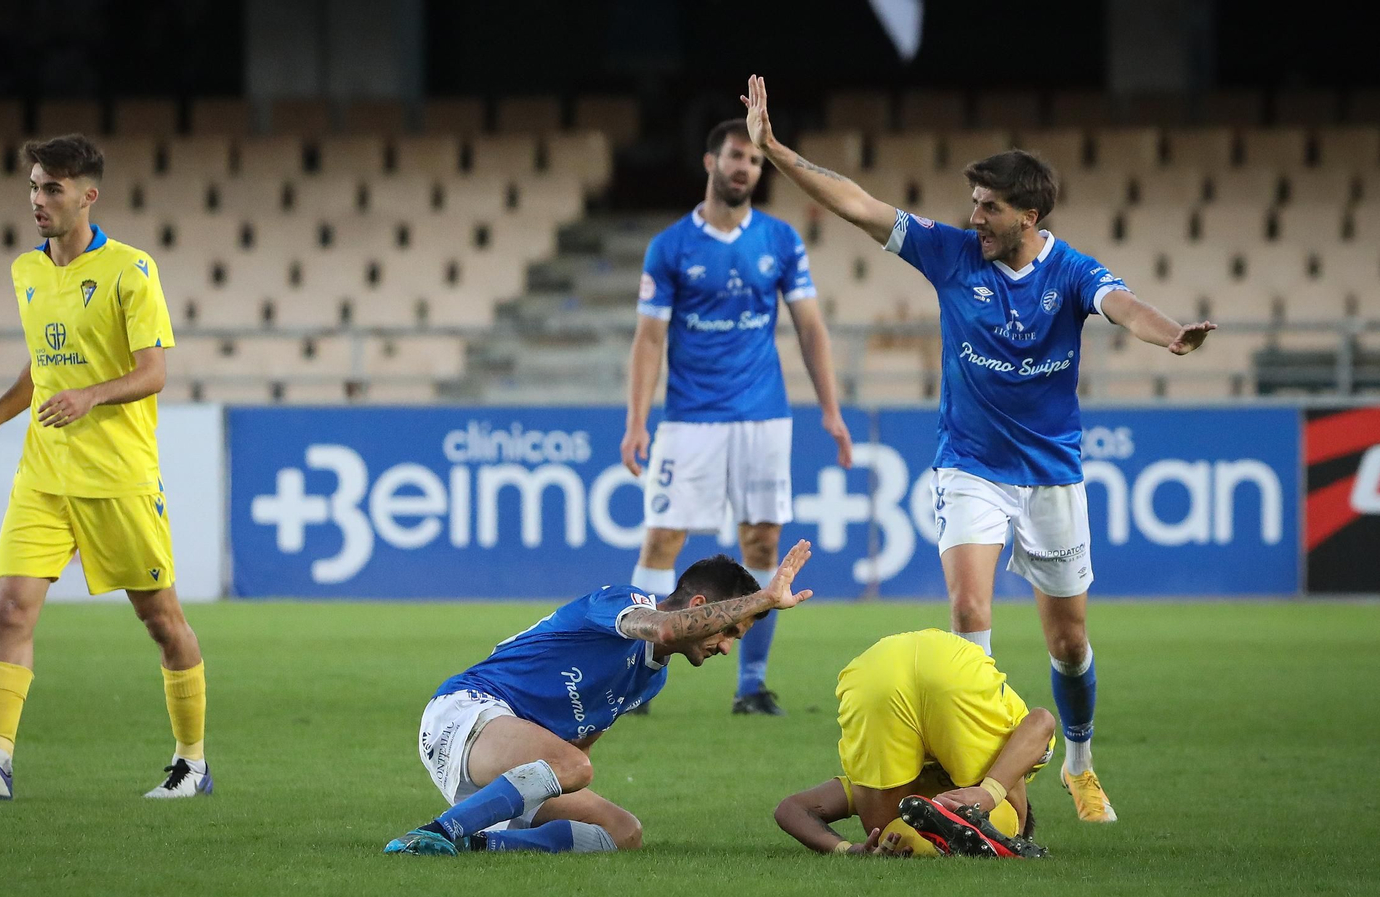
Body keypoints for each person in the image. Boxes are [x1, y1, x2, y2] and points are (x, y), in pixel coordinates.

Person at [741, 75, 1216, 822]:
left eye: (989, 208)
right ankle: (985, 780)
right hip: (970, 465)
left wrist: (1173, 333)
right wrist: (776, 151)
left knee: (1068, 643)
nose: (975, 218)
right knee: (969, 611)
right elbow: (861, 205)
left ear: (1030, 215)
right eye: (973, 205)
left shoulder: (1071, 271)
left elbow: (1122, 305)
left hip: (1051, 474)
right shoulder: (952, 254)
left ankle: (1081, 764)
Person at [0, 134, 209, 800]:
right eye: (32, 186)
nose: (37, 200)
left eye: (51, 189)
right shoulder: (26, 271)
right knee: (11, 608)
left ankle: (192, 761)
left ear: (89, 195)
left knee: (161, 620)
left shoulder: (130, 270)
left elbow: (153, 372)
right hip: (43, 473)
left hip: (117, 474)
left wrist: (89, 394)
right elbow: (42, 368)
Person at [621, 118, 853, 718]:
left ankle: (750, 684)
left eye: (753, 160)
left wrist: (830, 409)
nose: (744, 167)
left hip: (763, 418)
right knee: (664, 538)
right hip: (690, 420)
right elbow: (649, 340)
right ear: (710, 163)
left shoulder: (780, 240)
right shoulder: (671, 246)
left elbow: (809, 326)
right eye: (734, 156)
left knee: (761, 539)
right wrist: (637, 420)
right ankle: (637, 676)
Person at [385, 541, 816, 856]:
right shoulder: (622, 601)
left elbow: (577, 743)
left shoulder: (651, 681)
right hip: (465, 714)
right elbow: (664, 629)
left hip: (509, 764)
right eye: (728, 632)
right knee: (574, 767)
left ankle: (479, 844)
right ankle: (433, 834)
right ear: (699, 606)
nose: (725, 648)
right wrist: (760, 599)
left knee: (623, 831)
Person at [773, 629, 1054, 859]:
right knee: (1011, 809)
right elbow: (1042, 721)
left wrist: (846, 849)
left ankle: (947, 839)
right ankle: (994, 836)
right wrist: (990, 792)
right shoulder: (1008, 756)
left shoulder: (866, 786)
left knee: (886, 833)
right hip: (950, 671)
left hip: (873, 672)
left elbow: (790, 809)